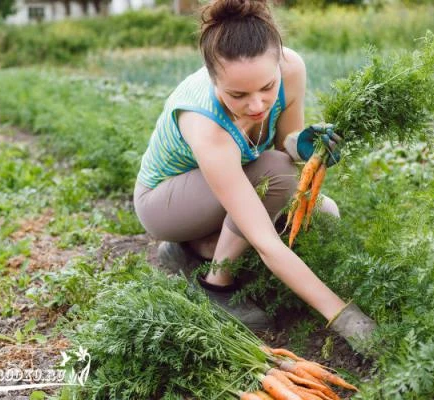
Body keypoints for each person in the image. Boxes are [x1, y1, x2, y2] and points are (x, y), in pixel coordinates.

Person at [133, 0, 376, 343]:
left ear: (278, 61)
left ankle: (193, 251)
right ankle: (216, 286)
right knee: (276, 178)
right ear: (213, 80)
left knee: (325, 214)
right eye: (238, 94)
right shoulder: (205, 123)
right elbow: (267, 240)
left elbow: (283, 149)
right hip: (166, 203)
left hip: (226, 185)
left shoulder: (291, 68)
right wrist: (345, 317)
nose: (258, 105)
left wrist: (301, 146)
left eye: (266, 88)